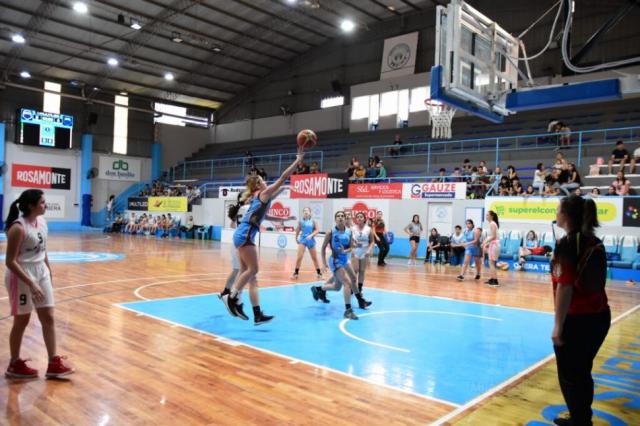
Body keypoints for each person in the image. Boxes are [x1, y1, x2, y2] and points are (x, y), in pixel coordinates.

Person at [221, 145, 305, 325]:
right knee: (254, 270)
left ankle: (245, 306)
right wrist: (297, 161)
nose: (265, 180)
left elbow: (268, 209)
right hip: (245, 234)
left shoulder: (261, 197)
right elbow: (283, 178)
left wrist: (284, 216)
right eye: (262, 179)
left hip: (243, 234)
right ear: (259, 184)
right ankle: (231, 296)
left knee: (247, 272)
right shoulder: (263, 193)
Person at [550, 195, 610, 426]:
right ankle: (582, 417)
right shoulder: (594, 241)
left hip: (577, 320)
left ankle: (580, 420)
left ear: (566, 215)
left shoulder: (567, 244)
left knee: (570, 376)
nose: (556, 213)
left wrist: (558, 325)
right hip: (600, 317)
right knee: (583, 371)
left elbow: (564, 287)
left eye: (557, 209)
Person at [4, 189, 74, 379]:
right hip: (21, 275)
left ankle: (53, 362)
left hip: (40, 271)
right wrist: (32, 283)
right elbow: (10, 261)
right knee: (22, 320)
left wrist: (48, 270)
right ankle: (14, 364)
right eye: (42, 202)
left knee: (49, 317)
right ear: (31, 206)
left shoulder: (43, 222)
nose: (45, 205)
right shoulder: (18, 228)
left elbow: (43, 250)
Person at [310, 211, 371, 319]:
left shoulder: (349, 232)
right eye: (338, 216)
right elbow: (323, 248)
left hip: (344, 259)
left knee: (341, 284)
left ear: (345, 219)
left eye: (342, 216)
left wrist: (345, 251)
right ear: (335, 219)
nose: (340, 217)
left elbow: (352, 247)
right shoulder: (331, 232)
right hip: (335, 260)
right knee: (347, 283)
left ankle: (319, 289)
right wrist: (323, 264)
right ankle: (348, 310)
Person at [291, 207, 322, 280]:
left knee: (314, 258)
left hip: (311, 240)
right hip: (303, 240)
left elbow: (317, 230)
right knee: (299, 257)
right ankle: (296, 273)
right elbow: (298, 230)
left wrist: (311, 235)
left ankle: (319, 273)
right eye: (304, 211)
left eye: (307, 211)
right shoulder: (300, 221)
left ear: (310, 212)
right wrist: (296, 238)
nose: (306, 212)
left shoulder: (313, 221)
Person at [350, 212, 374, 303]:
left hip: (364, 251)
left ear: (364, 219)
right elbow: (350, 240)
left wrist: (369, 250)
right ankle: (353, 287)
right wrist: (353, 244)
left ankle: (360, 288)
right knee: (355, 270)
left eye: (361, 217)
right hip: (355, 251)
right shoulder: (352, 229)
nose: (359, 218)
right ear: (356, 219)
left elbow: (372, 241)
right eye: (358, 217)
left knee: (362, 271)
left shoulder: (368, 229)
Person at [482, 211, 501, 287]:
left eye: (487, 215)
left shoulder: (492, 224)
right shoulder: (492, 224)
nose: (486, 216)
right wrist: (487, 243)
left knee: (491, 263)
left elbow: (493, 236)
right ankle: (492, 279)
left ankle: (495, 281)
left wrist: (485, 242)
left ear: (491, 216)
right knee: (491, 263)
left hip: (494, 245)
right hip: (493, 244)